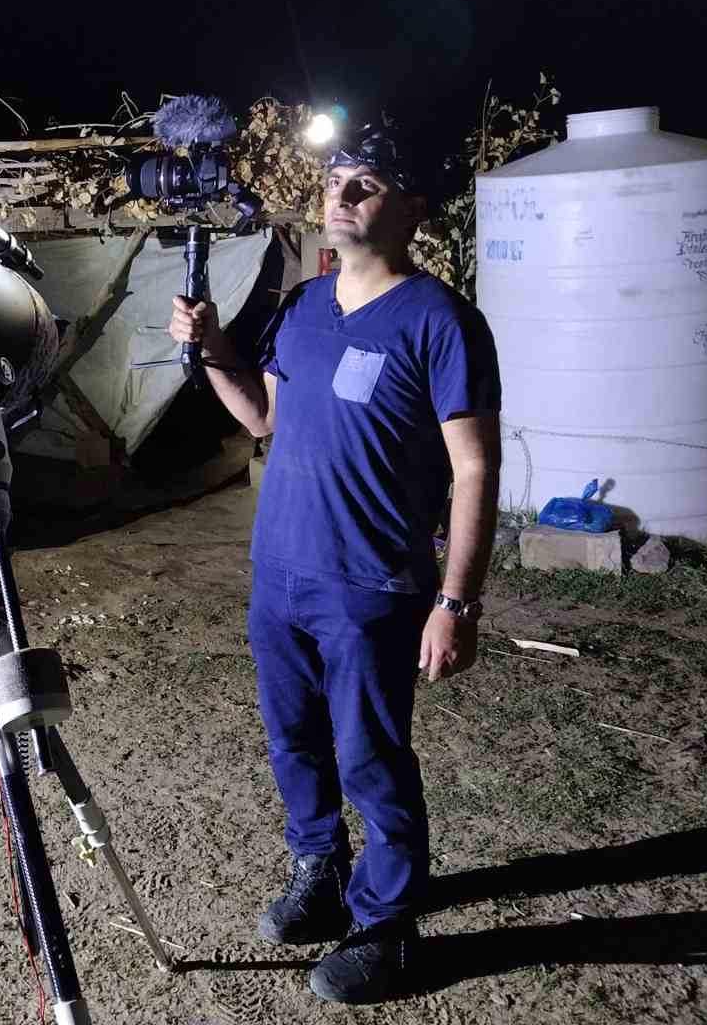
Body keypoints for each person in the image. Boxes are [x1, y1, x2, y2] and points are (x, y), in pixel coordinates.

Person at [169, 123, 501, 1004]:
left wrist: (457, 602)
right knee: (294, 743)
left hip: (374, 585)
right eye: (337, 181)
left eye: (367, 185)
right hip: (279, 574)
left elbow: (474, 468)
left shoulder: (440, 321)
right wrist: (210, 349)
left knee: (371, 754)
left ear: (413, 210)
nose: (342, 196)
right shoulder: (303, 308)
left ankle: (389, 925)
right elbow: (263, 421)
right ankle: (320, 870)